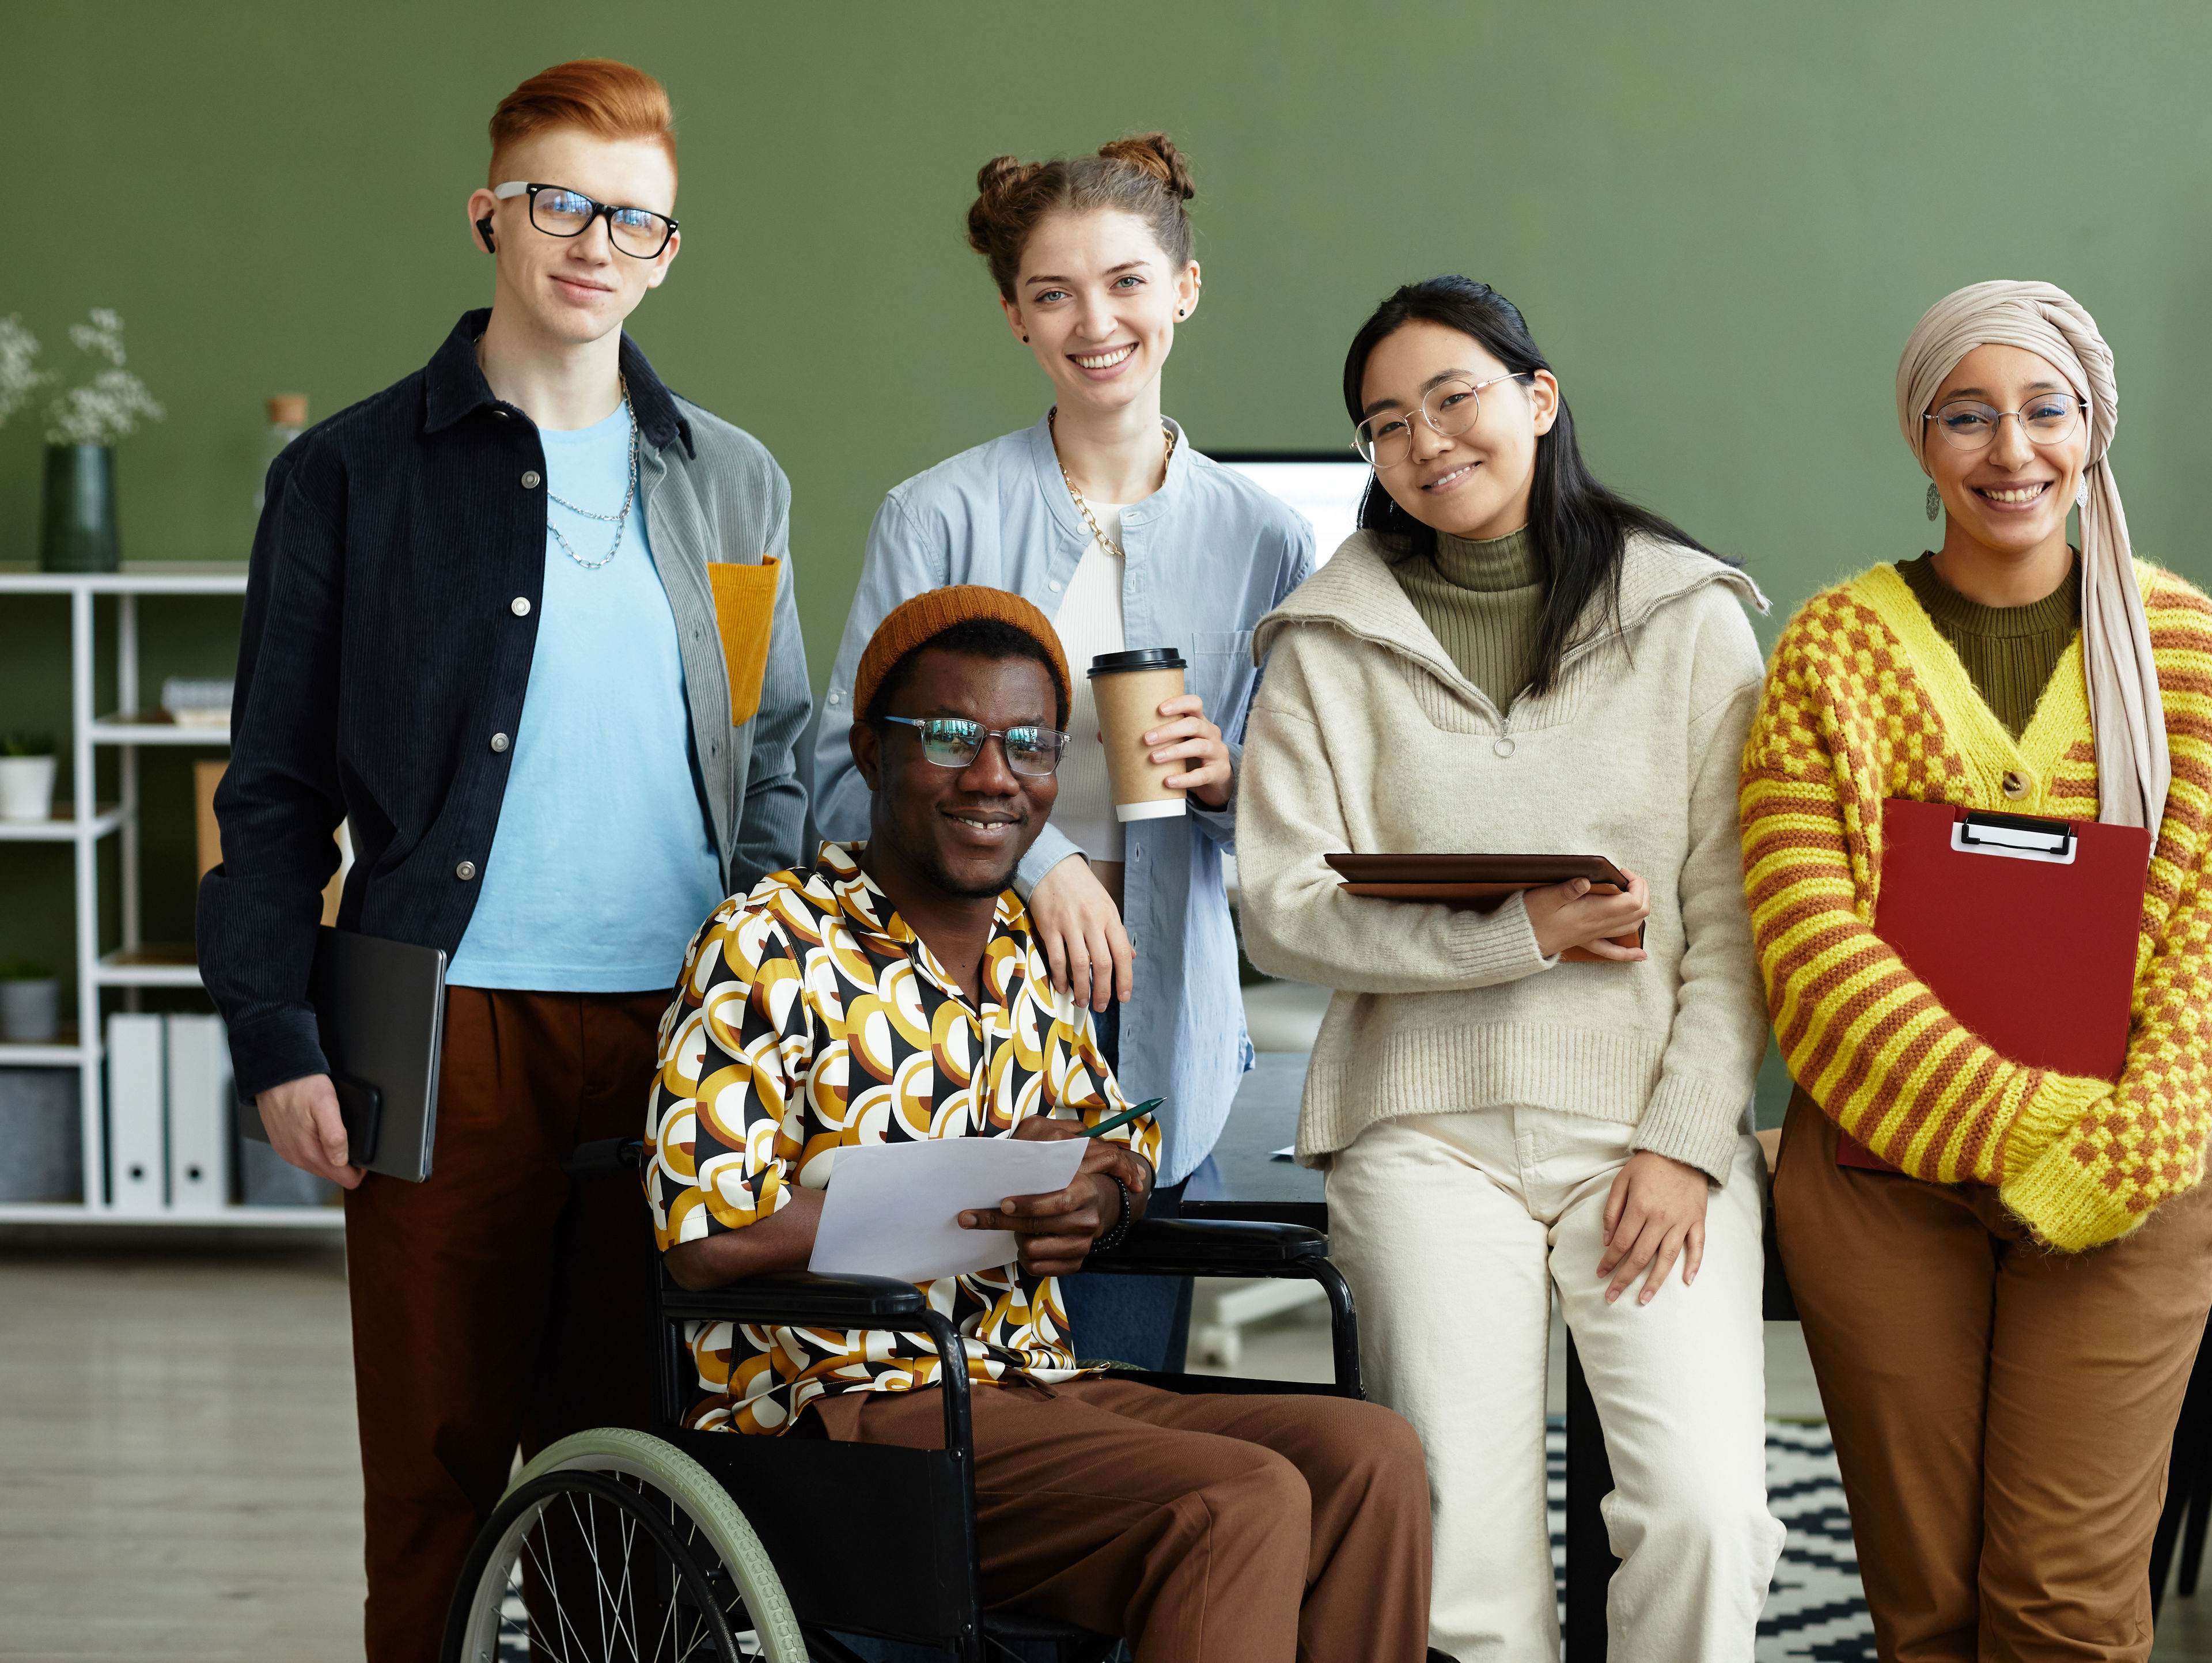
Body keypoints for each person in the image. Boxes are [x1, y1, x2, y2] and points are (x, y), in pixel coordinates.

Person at [195, 60, 811, 1661]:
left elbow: (775, 764)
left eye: (633, 220)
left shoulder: (733, 484)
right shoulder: (347, 477)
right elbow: (267, 797)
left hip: (686, 1040)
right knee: (439, 1475)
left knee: (666, 1475)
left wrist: (771, 1023)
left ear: (669, 250)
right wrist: (277, 1036)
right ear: (490, 213)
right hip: (437, 1031)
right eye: (559, 202)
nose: (593, 242)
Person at [649, 585, 1432, 1661]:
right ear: (874, 754)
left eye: (1028, 745)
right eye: (951, 738)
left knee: (1370, 1455)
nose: (992, 776)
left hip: (1037, 1383)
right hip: (849, 1411)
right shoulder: (767, 945)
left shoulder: (1030, 955)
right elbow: (705, 1242)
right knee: (1237, 1498)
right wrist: (950, 1197)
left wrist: (1093, 1198)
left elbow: (1117, 1142)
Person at [1237, 276, 1784, 1662]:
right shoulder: (1321, 642)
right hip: (1419, 1132)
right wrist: (1518, 935)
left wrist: (1682, 1142)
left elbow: (1735, 925)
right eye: (1384, 423)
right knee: (1459, 1557)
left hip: (1642, 1140)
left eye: (1453, 398)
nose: (1424, 440)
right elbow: (1280, 910)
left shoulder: (1694, 619)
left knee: (1709, 1516)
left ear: (1538, 400)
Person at [1744, 280, 2212, 1661]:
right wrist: (2021, 1120)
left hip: (2133, 1172)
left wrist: (2118, 1145)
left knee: (2063, 1605)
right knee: (1930, 1605)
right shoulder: (1834, 648)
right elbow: (1809, 941)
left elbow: (2206, 949)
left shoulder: (2189, 651)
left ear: (2093, 426)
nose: (2012, 451)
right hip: (1885, 1182)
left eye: (2044, 410)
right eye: (1968, 416)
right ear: (1922, 439)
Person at [808, 133, 1316, 1372]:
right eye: (1054, 292)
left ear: (1185, 288)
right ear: (1016, 317)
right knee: (932, 1424)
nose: (1097, 321)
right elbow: (836, 771)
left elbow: (1304, 825)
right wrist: (1041, 862)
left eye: (1129, 281)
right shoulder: (939, 514)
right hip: (933, 1041)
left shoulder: (1268, 543)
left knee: (1119, 1411)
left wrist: (1230, 780)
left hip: (1152, 1054)